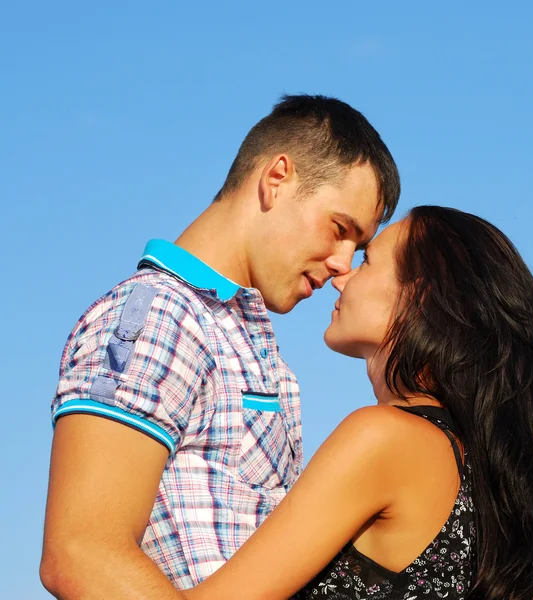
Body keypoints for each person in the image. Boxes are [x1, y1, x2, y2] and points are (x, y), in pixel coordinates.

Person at [39, 94, 401, 599]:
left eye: (358, 249)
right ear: (277, 179)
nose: (344, 263)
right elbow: (82, 553)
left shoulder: (252, 349)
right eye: (340, 229)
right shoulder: (160, 315)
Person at [182, 206, 533, 600]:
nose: (341, 277)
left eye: (366, 261)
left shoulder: (385, 438)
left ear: (418, 297)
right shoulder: (475, 474)